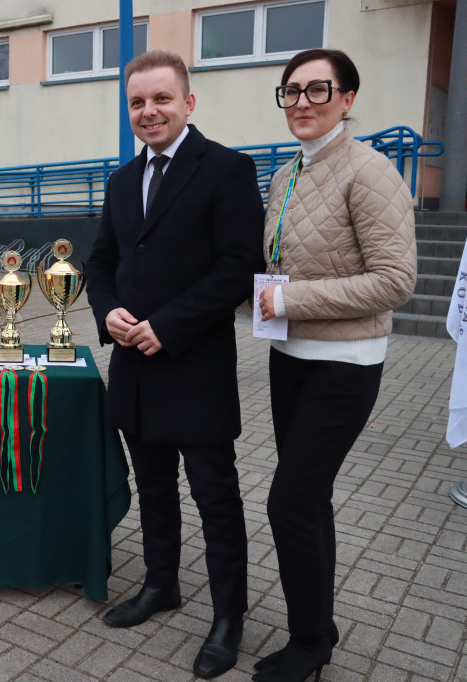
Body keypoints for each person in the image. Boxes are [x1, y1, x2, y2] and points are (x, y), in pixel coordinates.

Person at [85, 50, 264, 679]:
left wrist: (171, 325)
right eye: (137, 102)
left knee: (216, 498)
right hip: (134, 364)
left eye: (161, 99)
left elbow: (238, 267)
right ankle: (162, 585)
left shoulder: (228, 170)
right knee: (153, 487)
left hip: (194, 365)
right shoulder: (120, 179)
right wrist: (107, 312)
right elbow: (101, 262)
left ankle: (228, 618)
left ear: (188, 103)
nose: (148, 111)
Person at [254, 49, 416, 681]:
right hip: (289, 355)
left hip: (343, 364)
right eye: (291, 91)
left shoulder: (370, 172)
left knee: (288, 503)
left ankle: (309, 643)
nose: (301, 102)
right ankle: (319, 623)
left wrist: (288, 298)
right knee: (309, 498)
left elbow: (396, 280)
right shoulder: (286, 173)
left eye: (317, 90)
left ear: (348, 99)